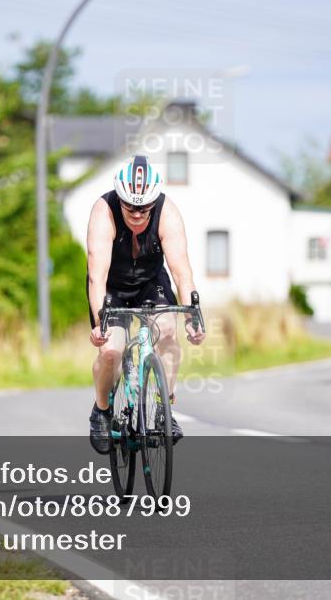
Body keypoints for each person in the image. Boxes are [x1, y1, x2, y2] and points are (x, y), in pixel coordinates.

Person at [86, 155, 205, 454]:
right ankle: (102, 410)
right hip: (111, 285)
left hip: (151, 281)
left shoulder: (168, 212)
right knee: (111, 351)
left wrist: (193, 315)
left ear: (154, 202)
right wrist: (101, 322)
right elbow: (96, 276)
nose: (137, 214)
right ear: (119, 199)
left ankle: (164, 409)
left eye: (144, 208)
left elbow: (181, 270)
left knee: (166, 331)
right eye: (130, 206)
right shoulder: (104, 212)